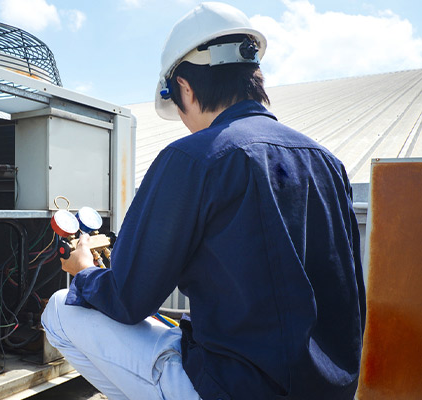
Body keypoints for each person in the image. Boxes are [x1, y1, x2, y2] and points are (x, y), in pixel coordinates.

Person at [41, 2, 366, 399]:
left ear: (185, 88)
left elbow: (128, 300)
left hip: (232, 389)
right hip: (329, 390)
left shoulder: (194, 157)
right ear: (254, 77)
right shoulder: (328, 164)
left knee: (59, 310)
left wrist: (85, 271)